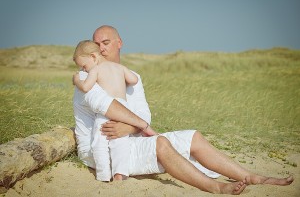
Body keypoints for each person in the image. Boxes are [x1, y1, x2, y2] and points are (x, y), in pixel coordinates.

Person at [72, 25, 294, 195]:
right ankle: (215, 188)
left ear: (119, 43)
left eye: (106, 42)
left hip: (130, 139)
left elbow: (143, 113)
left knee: (194, 138)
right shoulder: (86, 75)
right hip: (101, 148)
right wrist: (142, 126)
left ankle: (252, 177)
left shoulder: (132, 76)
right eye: (96, 44)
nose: (100, 48)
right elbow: (107, 106)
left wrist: (131, 126)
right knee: (160, 142)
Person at [73, 40, 157, 181]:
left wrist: (77, 80)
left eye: (84, 66)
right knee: (120, 141)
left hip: (109, 109)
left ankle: (103, 174)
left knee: (100, 140)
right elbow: (134, 80)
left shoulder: (96, 70)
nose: (84, 70)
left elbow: (86, 87)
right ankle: (120, 173)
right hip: (124, 107)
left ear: (94, 57)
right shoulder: (120, 68)